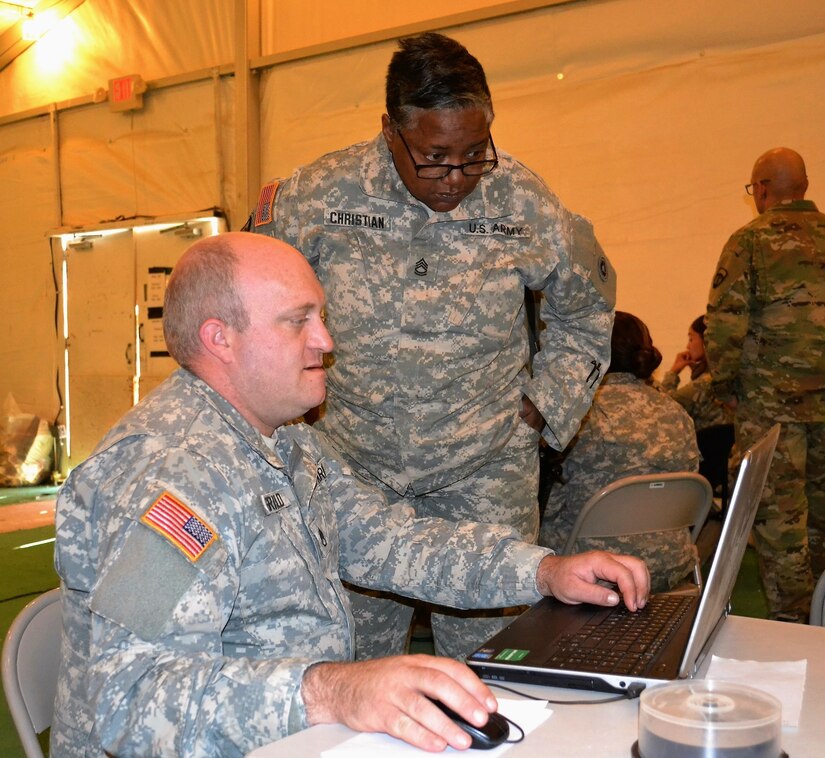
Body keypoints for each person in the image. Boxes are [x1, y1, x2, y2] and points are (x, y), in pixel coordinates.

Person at [51, 232, 648, 757]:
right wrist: (334, 691)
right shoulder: (167, 477)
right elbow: (127, 695)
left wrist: (544, 571)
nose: (326, 341)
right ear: (220, 338)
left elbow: (391, 540)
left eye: (323, 316)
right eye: (298, 320)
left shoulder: (284, 441)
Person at [247, 31, 615, 660]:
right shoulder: (317, 197)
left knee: (495, 662)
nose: (457, 178)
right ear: (391, 131)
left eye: (476, 153)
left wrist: (546, 406)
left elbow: (587, 307)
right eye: (436, 156)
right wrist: (288, 416)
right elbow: (250, 299)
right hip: (352, 470)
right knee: (354, 664)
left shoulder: (525, 201)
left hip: (484, 473)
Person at [705, 146, 825, 623]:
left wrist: (728, 387)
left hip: (771, 408)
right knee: (819, 517)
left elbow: (725, 322)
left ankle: (794, 629)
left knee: (779, 523)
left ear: (765, 189)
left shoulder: (750, 241)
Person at [539, 312, 700, 592]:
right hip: (670, 562)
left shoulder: (578, 417)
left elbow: (548, 506)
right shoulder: (677, 413)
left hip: (592, 568)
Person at [660, 315, 734, 432]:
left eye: (691, 339)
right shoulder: (729, 374)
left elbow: (662, 408)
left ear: (706, 341)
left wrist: (673, 372)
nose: (688, 346)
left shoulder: (704, 384)